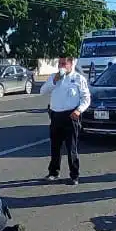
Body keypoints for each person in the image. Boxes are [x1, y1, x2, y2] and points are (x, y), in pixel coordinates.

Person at [40, 57, 90, 185]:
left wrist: (79, 110)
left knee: (71, 147)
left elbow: (86, 98)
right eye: (59, 64)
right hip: (56, 115)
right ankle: (53, 172)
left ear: (71, 64)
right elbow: (43, 91)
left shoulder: (78, 79)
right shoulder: (54, 77)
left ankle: (74, 175)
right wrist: (54, 80)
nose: (61, 66)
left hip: (71, 116)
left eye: (64, 64)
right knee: (55, 147)